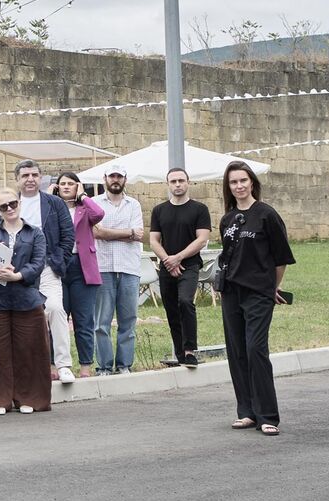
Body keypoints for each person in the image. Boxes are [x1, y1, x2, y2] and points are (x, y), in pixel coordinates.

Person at [216, 161, 293, 437]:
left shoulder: (266, 215)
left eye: (243, 181)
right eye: (233, 182)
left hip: (259, 292)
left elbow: (282, 258)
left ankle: (267, 415)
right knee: (236, 351)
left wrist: (273, 286)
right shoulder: (227, 219)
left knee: (255, 349)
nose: (238, 186)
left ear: (252, 183)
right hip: (231, 292)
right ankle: (246, 412)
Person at [0, 188, 51, 415]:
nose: (9, 209)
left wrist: (18, 276)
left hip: (26, 299)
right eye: (3, 206)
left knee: (30, 350)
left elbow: (38, 263)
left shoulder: (35, 233)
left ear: (19, 203)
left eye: (12, 204)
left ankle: (30, 397)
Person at [10, 160, 79, 385]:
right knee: (22, 318)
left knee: (56, 309)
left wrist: (61, 260)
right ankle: (27, 367)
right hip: (18, 272)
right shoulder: (10, 203)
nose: (30, 179)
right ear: (17, 179)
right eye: (25, 175)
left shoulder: (54, 203)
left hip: (48, 267)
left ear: (41, 178)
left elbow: (68, 235)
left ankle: (63, 364)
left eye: (34, 175)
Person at [150, 167, 213, 370]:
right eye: (173, 181)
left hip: (190, 265)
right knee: (171, 309)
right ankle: (179, 353)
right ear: (168, 184)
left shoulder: (199, 209)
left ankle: (190, 351)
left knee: (185, 302)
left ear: (188, 182)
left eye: (181, 180)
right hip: (167, 266)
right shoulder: (159, 210)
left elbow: (202, 239)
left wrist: (178, 258)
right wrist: (168, 260)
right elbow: (153, 241)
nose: (177, 184)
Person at [91, 167, 145, 375]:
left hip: (129, 267)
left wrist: (109, 233)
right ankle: (103, 366)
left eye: (119, 176)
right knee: (101, 321)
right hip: (103, 266)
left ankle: (124, 365)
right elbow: (96, 232)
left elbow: (139, 234)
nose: (115, 180)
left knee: (128, 319)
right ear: (105, 179)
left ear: (125, 179)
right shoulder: (94, 203)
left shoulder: (134, 204)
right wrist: (127, 233)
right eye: (112, 176)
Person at [54, 172, 105, 372]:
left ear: (78, 186)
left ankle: (85, 366)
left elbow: (99, 214)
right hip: (59, 265)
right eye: (62, 184)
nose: (66, 187)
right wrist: (49, 196)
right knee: (57, 317)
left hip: (82, 266)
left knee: (83, 320)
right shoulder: (52, 208)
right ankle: (55, 365)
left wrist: (84, 196)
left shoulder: (85, 209)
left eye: (71, 184)